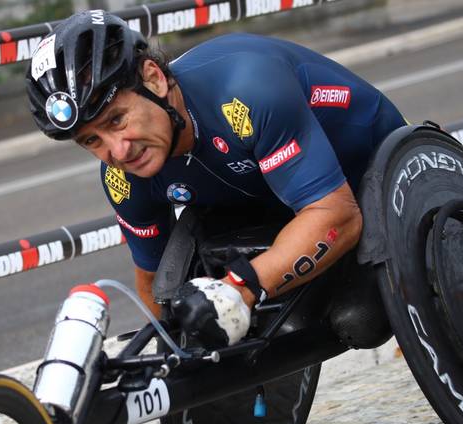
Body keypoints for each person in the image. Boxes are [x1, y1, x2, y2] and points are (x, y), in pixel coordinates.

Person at [26, 10, 406, 348]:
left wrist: (239, 289)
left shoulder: (246, 91)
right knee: (266, 326)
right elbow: (154, 283)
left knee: (359, 319)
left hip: (373, 174)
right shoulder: (123, 177)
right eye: (92, 140)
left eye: (116, 119)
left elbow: (337, 214)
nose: (119, 151)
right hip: (275, 199)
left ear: (154, 80)